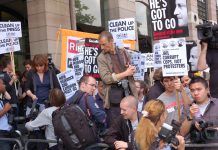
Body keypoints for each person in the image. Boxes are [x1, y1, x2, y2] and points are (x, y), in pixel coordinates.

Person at [97, 31, 138, 127]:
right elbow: (106, 78)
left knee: (131, 124)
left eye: (104, 44)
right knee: (116, 126)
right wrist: (125, 73)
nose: (102, 48)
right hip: (114, 97)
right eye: (100, 45)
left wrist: (131, 69)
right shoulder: (101, 57)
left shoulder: (123, 52)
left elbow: (129, 68)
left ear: (111, 41)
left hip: (128, 92)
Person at [180, 77, 218, 149]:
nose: (195, 93)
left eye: (199, 89)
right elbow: (182, 133)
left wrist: (212, 131)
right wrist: (190, 116)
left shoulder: (217, 105)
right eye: (192, 90)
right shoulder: (187, 108)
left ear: (207, 89)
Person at [0, 79, 13, 150]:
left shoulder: (1, 99)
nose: (4, 86)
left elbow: (10, 98)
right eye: (2, 84)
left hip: (6, 132)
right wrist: (5, 109)